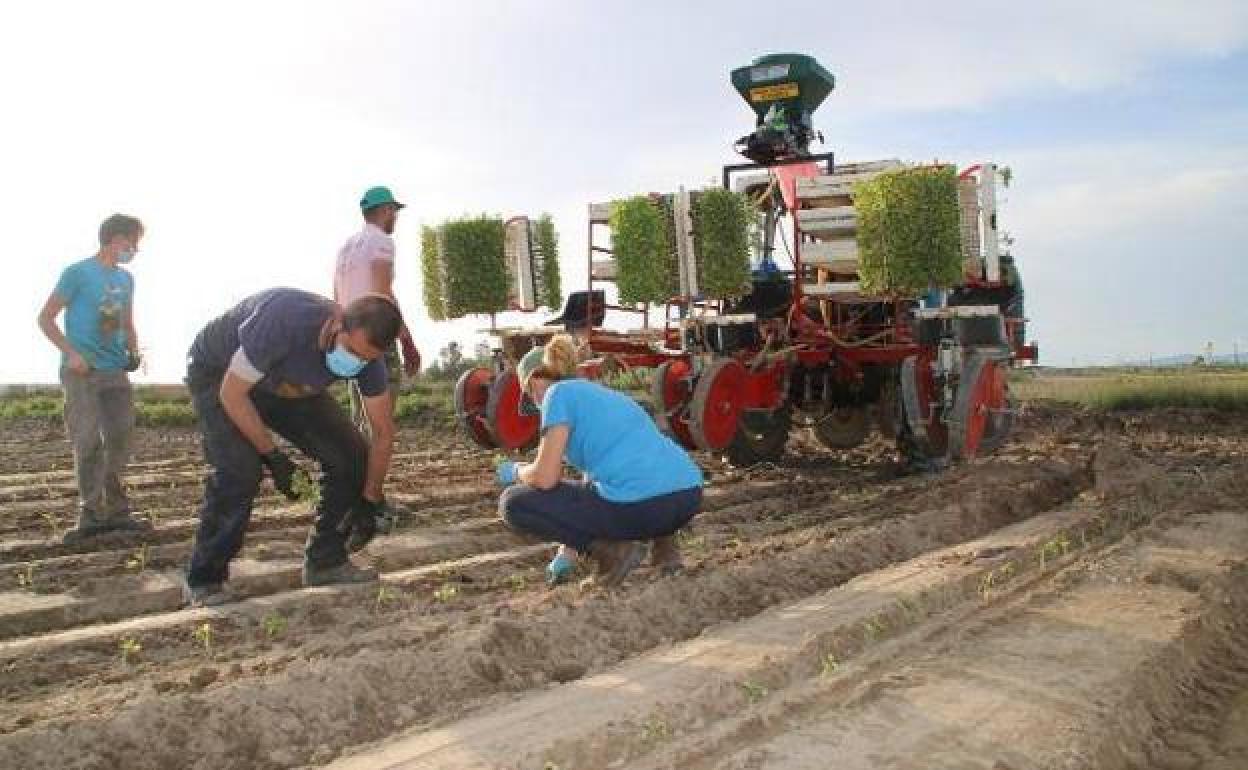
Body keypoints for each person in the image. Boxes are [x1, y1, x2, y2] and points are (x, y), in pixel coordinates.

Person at [182, 288, 403, 606]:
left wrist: (370, 499)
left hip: (284, 384)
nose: (355, 363)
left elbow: (382, 433)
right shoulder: (285, 319)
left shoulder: (369, 360)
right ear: (337, 322)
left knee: (351, 455)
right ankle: (204, 579)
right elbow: (233, 393)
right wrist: (273, 457)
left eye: (365, 359)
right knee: (240, 469)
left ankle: (326, 561)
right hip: (220, 373)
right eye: (351, 351)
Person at [496, 335, 704, 588]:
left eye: (529, 394)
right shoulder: (604, 395)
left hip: (645, 507)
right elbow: (591, 493)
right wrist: (567, 552)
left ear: (533, 382)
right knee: (636, 480)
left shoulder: (556, 394)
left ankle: (614, 553)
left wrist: (517, 471)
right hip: (687, 496)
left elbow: (545, 478)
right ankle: (666, 552)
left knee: (513, 502)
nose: (534, 402)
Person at [36, 214, 152, 544]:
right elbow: (45, 319)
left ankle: (117, 512)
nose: (135, 249)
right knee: (87, 441)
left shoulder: (125, 279)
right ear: (115, 239)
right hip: (81, 372)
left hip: (115, 370)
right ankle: (90, 514)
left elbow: (126, 322)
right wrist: (71, 354)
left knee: (120, 440)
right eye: (133, 242)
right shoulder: (77, 273)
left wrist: (134, 352)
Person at [333, 186, 421, 436]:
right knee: (380, 420)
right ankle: (372, 460)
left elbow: (337, 296)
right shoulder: (382, 241)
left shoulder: (345, 248)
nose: (396, 217)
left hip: (349, 336)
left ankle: (355, 459)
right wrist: (407, 340)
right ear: (386, 210)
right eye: (394, 211)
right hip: (376, 333)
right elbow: (382, 295)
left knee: (360, 416)